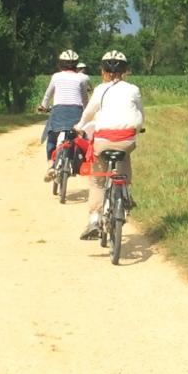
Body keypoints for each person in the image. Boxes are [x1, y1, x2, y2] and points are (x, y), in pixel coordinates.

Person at [76, 50, 144, 239]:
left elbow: (88, 113)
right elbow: (140, 114)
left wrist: (80, 126)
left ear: (103, 70)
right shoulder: (133, 89)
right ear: (125, 70)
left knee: (97, 180)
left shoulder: (100, 89)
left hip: (103, 141)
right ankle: (125, 193)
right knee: (124, 155)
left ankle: (94, 220)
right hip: (127, 139)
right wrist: (139, 128)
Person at [37, 50, 92, 179]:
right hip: (76, 111)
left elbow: (48, 94)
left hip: (59, 110)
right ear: (76, 65)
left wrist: (43, 106)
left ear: (60, 64)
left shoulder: (56, 76)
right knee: (74, 138)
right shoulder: (82, 78)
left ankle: (51, 165)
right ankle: (72, 161)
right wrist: (86, 112)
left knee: (51, 136)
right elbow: (84, 98)